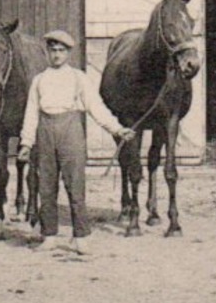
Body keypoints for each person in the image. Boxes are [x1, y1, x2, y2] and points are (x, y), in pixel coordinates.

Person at [18, 30, 135, 248]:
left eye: (61, 51)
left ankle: (80, 237)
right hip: (45, 130)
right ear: (47, 52)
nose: (57, 55)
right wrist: (26, 143)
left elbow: (96, 107)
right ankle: (49, 235)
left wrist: (118, 129)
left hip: (70, 130)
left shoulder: (78, 78)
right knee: (46, 186)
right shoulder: (39, 80)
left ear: (68, 53)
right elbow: (31, 113)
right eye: (53, 50)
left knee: (75, 185)